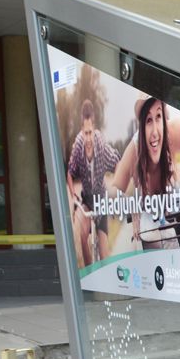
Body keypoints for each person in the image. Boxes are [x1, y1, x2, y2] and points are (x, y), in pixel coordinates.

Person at [107, 96, 180, 248]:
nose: (155, 132)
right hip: (149, 222)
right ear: (141, 127)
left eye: (158, 117)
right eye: (148, 120)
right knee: (153, 250)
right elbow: (114, 189)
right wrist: (130, 205)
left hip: (176, 214)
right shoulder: (135, 148)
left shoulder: (171, 132)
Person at [66, 98, 120, 265]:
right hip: (87, 199)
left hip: (101, 199)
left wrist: (117, 190)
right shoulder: (78, 146)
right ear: (82, 129)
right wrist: (73, 196)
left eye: (90, 133)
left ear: (94, 128)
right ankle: (91, 273)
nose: (88, 138)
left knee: (104, 253)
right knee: (81, 233)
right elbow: (69, 172)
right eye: (85, 133)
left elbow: (117, 162)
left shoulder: (101, 144)